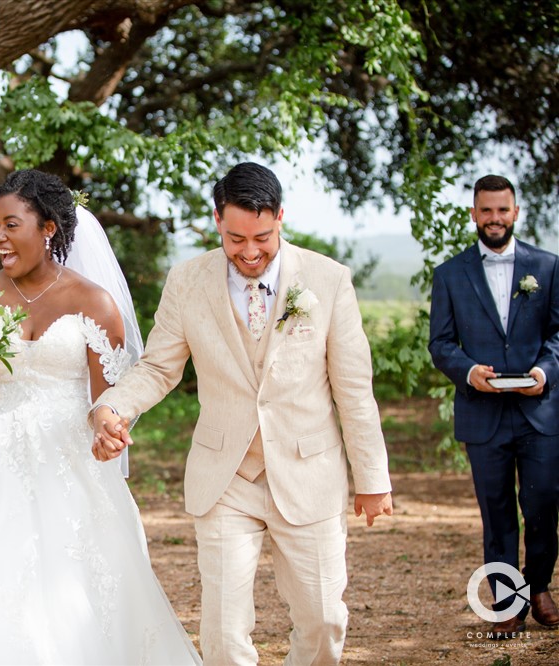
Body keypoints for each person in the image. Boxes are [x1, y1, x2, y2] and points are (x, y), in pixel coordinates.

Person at [91, 162, 393, 665]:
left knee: (323, 620)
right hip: (225, 475)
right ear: (216, 222)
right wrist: (112, 406)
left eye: (262, 237)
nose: (249, 252)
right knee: (225, 634)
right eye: (236, 239)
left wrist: (372, 477)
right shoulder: (187, 281)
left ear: (280, 219)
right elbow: (158, 368)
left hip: (309, 472)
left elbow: (354, 389)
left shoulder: (327, 279)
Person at [0, 170, 200, 664]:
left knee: (73, 588)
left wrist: (107, 430)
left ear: (48, 228)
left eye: (11, 224)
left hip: (68, 461)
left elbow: (108, 401)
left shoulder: (93, 302)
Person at [428, 174, 559, 638]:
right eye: (486, 210)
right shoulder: (449, 274)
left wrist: (543, 373)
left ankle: (540, 584)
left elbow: (558, 335)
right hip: (481, 415)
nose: (495, 219)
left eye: (503, 210)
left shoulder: (547, 267)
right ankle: (509, 599)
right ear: (474, 214)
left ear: (516, 212)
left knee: (543, 503)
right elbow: (441, 343)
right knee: (497, 510)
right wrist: (468, 371)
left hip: (539, 411)